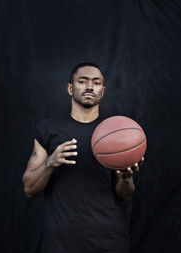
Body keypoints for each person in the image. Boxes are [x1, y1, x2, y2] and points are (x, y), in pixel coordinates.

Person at [22, 63, 144, 253]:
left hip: (109, 240)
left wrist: (126, 177)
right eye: (82, 81)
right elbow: (29, 188)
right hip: (60, 242)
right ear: (70, 88)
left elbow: (123, 196)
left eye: (96, 83)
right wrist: (49, 163)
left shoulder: (115, 133)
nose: (89, 87)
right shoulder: (46, 130)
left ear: (102, 91)